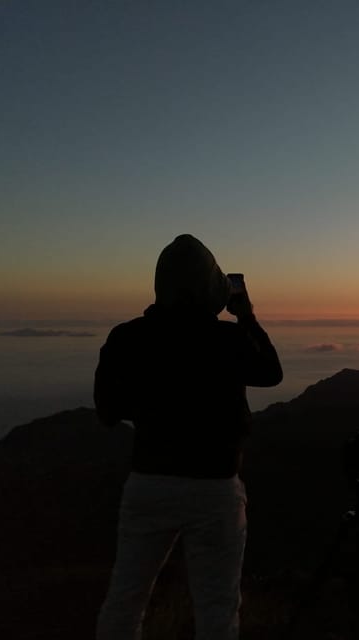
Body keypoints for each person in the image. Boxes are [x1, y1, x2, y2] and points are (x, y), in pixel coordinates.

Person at [94, 234, 283, 640]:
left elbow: (108, 411)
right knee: (217, 606)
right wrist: (246, 315)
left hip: (149, 483)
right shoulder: (228, 340)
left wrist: (151, 408)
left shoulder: (127, 337)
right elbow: (271, 372)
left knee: (126, 597)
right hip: (215, 489)